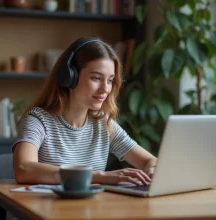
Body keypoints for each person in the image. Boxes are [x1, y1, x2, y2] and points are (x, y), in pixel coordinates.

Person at [12, 37, 157, 186]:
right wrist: (100, 176)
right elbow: (24, 169)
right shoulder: (38, 120)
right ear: (69, 77)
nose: (105, 89)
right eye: (96, 78)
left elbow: (149, 161)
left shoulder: (103, 123)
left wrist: (152, 170)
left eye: (110, 80)